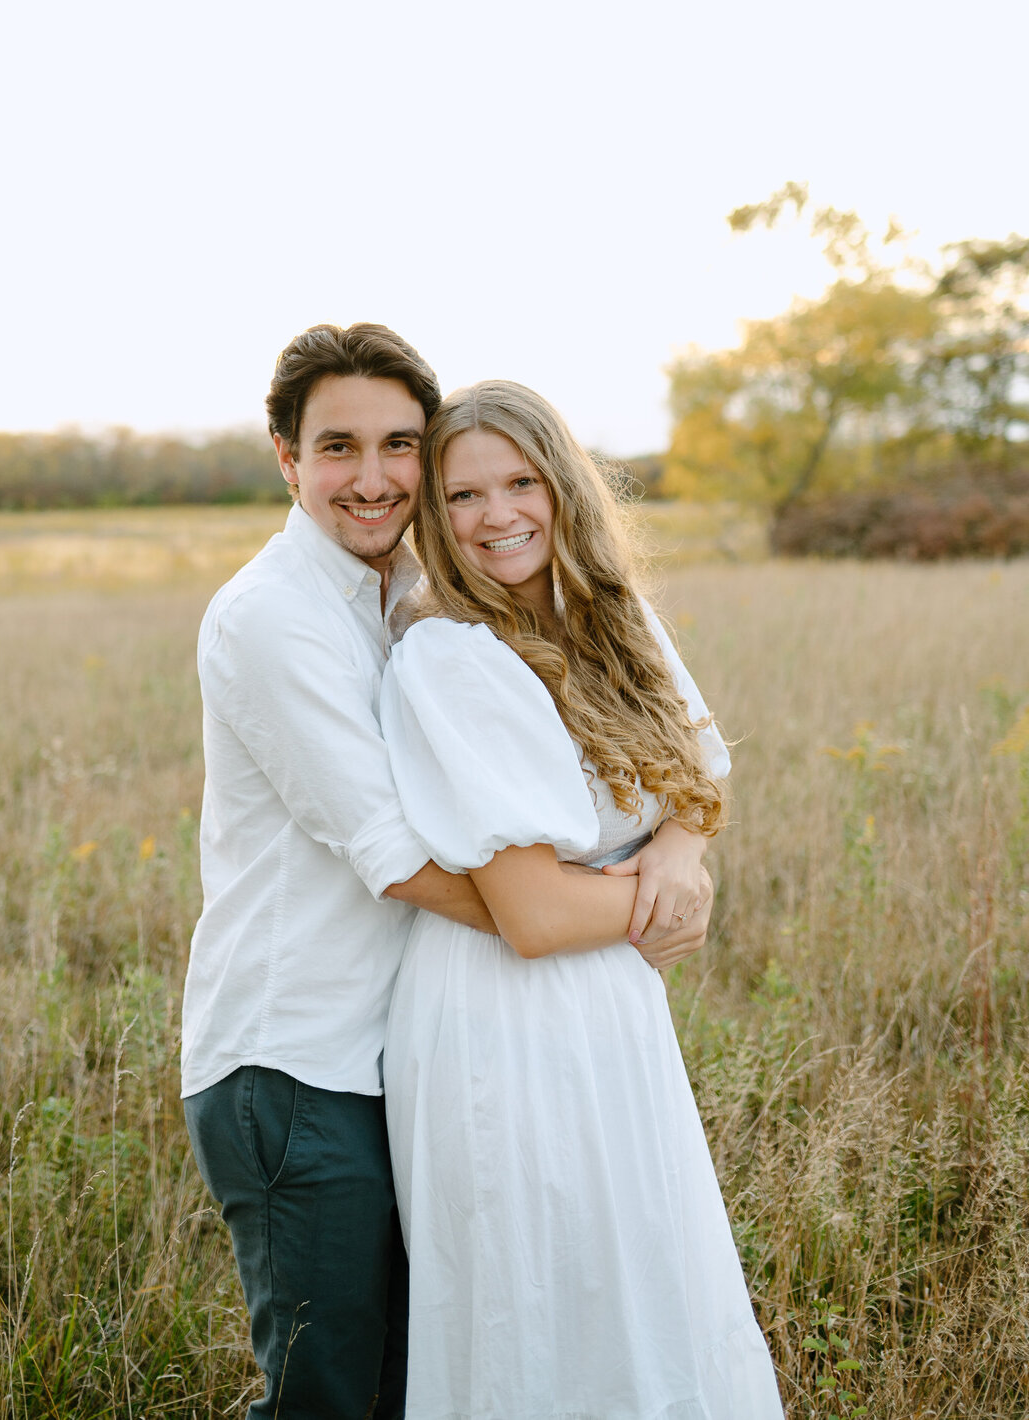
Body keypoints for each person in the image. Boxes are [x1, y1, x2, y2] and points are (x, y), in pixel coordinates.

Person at [181, 324, 716, 1420]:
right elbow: (404, 859)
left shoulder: (413, 587)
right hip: (295, 1058)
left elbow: (686, 754)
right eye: (338, 447)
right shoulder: (275, 618)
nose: (372, 479)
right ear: (286, 457)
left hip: (394, 1047)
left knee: (425, 1367)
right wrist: (608, 909)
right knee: (328, 1394)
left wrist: (678, 848)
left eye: (397, 446)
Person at [381, 380, 783, 1419]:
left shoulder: (613, 615)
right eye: (463, 496)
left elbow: (702, 770)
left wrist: (683, 859)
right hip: (502, 1025)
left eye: (520, 482)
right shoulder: (451, 654)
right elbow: (536, 916)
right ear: (434, 513)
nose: (496, 514)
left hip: (613, 1009)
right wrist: (667, 901)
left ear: (564, 488)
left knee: (648, 1291)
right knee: (541, 1307)